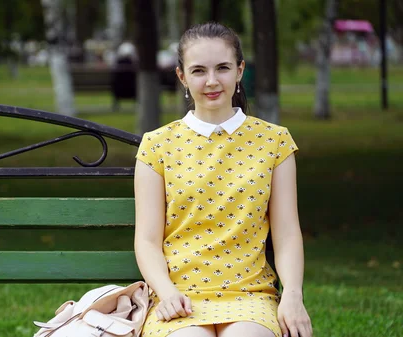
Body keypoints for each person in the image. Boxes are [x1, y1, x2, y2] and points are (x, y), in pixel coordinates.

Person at [134, 22, 312, 337]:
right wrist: (165, 292)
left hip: (251, 294)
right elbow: (147, 240)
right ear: (182, 76)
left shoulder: (274, 142)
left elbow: (286, 235)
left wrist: (293, 296)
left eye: (223, 68)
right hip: (177, 295)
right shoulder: (157, 145)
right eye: (199, 70)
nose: (212, 81)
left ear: (240, 71)